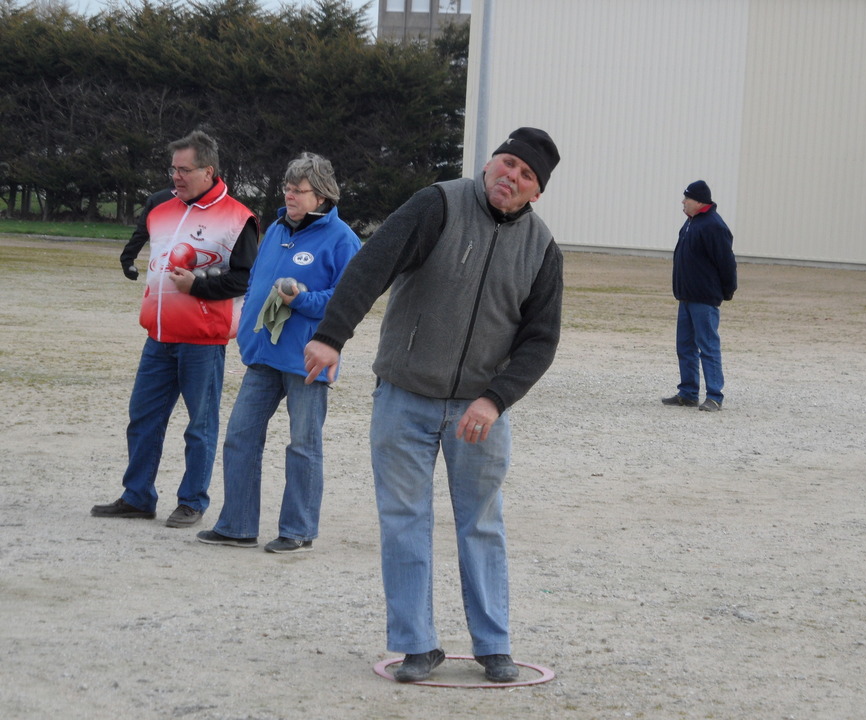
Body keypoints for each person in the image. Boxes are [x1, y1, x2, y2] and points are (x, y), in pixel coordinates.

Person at [303, 127, 562, 684]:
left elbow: (540, 341)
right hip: (404, 396)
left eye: (526, 175)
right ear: (490, 162)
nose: (512, 177)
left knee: (482, 524)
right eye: (508, 163)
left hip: (479, 412)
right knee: (404, 521)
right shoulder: (438, 204)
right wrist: (332, 335)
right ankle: (416, 644)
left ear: (536, 192)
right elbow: (372, 265)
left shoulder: (542, 250)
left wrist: (495, 400)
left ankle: (494, 645)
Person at [92, 130, 259, 527]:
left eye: (185, 170)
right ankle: (137, 497)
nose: (176, 176)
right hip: (158, 336)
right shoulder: (160, 207)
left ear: (208, 171)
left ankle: (192, 501)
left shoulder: (239, 218)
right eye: (173, 168)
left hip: (202, 341)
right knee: (143, 418)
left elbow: (245, 279)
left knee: (199, 426)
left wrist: (197, 286)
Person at [195, 153, 360, 553]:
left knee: (303, 445)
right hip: (264, 356)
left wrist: (301, 299)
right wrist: (248, 320)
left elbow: (349, 300)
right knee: (239, 437)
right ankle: (237, 525)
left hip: (307, 358)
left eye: (299, 190)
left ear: (321, 196)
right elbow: (255, 281)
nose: (290, 195)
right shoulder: (274, 230)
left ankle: (297, 529)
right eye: (287, 187)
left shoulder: (343, 240)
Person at [662, 180, 737, 412]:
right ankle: (688, 393)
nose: (683, 202)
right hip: (686, 297)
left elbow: (726, 263)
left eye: (687, 199)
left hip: (704, 298)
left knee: (708, 347)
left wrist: (727, 290)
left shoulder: (713, 226)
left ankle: (714, 396)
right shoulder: (691, 223)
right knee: (684, 347)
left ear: (699, 201)